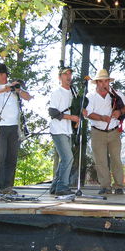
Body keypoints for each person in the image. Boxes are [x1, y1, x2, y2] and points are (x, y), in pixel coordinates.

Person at [0, 63, 31, 194]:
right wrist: (3, 89)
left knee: (11, 157)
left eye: (3, 75)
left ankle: (8, 186)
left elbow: (28, 97)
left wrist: (17, 90)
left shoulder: (13, 87)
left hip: (13, 127)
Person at [86, 69, 125, 195]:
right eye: (101, 81)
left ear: (108, 82)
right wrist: (101, 118)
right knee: (100, 161)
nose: (104, 84)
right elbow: (88, 113)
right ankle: (105, 186)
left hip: (114, 131)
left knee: (116, 159)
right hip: (97, 132)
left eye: (106, 81)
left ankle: (119, 186)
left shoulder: (116, 93)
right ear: (97, 83)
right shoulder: (90, 96)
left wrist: (120, 112)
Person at [48, 67, 80, 195]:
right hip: (58, 129)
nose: (68, 76)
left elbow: (74, 109)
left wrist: (79, 113)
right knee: (68, 158)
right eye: (65, 74)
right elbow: (52, 112)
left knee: (64, 159)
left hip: (67, 130)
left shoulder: (72, 92)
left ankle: (55, 186)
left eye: (70, 74)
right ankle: (62, 187)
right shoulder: (57, 92)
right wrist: (71, 117)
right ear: (59, 77)